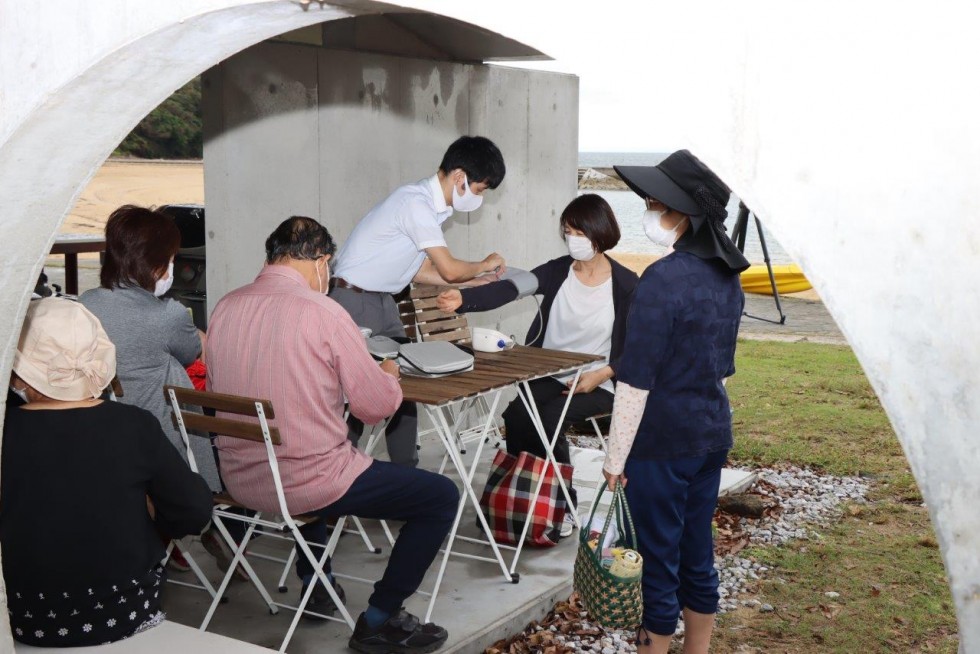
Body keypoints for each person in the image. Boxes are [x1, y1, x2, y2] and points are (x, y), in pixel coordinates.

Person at [207, 216, 458, 653]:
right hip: (303, 483)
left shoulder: (226, 306)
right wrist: (388, 372)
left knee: (312, 455)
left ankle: (316, 584)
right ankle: (380, 619)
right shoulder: (324, 312)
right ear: (322, 261)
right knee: (439, 496)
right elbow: (375, 408)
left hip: (241, 478)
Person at [601, 151, 749, 654]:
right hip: (710, 435)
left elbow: (635, 379)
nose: (648, 211)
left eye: (654, 203)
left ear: (682, 215)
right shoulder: (728, 276)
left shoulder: (663, 280)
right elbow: (722, 368)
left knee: (657, 558)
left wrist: (615, 457)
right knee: (695, 550)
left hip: (662, 442)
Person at [1, 298, 213, 647]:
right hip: (122, 613)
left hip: (22, 617)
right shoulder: (133, 426)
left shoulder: (5, 431)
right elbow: (193, 508)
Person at [437, 194, 638, 538]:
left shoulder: (627, 284)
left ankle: (562, 506)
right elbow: (511, 288)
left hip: (597, 381)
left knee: (548, 419)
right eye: (568, 231)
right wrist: (463, 300)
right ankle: (523, 498)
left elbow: (638, 347)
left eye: (579, 231)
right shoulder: (558, 270)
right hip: (547, 372)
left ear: (600, 234)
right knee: (516, 417)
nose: (571, 238)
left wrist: (603, 374)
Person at [330, 135, 507, 467]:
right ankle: (334, 469)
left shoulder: (429, 209)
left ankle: (405, 472)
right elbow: (450, 270)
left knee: (403, 385)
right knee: (358, 393)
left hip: (382, 300)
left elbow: (425, 271)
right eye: (480, 189)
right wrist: (482, 263)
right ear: (459, 178)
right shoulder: (415, 203)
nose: (479, 198)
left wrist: (477, 280)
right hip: (353, 302)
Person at [80, 205, 225, 573]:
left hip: (102, 439)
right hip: (162, 444)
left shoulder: (85, 306)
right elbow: (192, 349)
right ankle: (175, 537)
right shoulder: (166, 315)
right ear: (157, 263)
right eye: (171, 258)